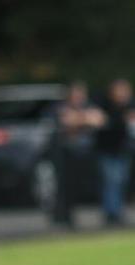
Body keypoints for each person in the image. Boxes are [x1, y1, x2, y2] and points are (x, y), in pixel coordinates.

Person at [95, 78, 135, 225]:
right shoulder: (105, 105)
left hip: (121, 150)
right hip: (107, 149)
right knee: (111, 180)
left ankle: (117, 210)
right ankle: (111, 213)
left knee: (121, 180)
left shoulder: (129, 105)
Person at [49, 81, 104, 227]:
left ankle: (69, 216)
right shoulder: (60, 108)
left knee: (79, 186)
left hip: (83, 154)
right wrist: (85, 119)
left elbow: (98, 120)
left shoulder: (88, 106)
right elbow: (66, 121)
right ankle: (62, 216)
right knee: (64, 186)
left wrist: (77, 118)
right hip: (65, 154)